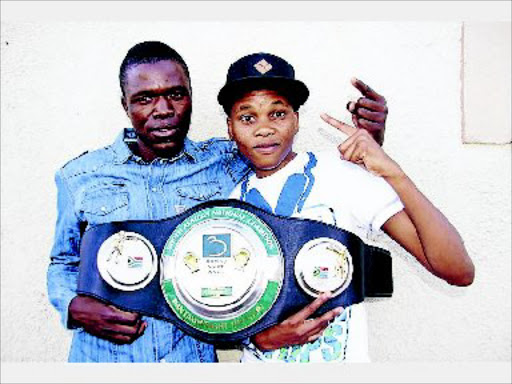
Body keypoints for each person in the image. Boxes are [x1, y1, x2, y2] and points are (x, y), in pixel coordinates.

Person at [47, 42, 389, 362]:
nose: (163, 110)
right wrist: (73, 306)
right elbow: (63, 260)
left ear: (192, 98)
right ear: (125, 104)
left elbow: (284, 159)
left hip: (191, 358)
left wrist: (370, 141)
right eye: (145, 98)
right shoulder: (79, 176)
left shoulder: (225, 160)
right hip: (102, 357)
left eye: (175, 95)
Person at [217, 52, 475, 362]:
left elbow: (458, 270)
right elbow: (226, 314)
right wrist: (260, 340)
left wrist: (394, 173)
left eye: (278, 113)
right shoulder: (226, 212)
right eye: (247, 118)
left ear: (297, 120)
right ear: (230, 128)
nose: (264, 129)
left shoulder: (340, 175)